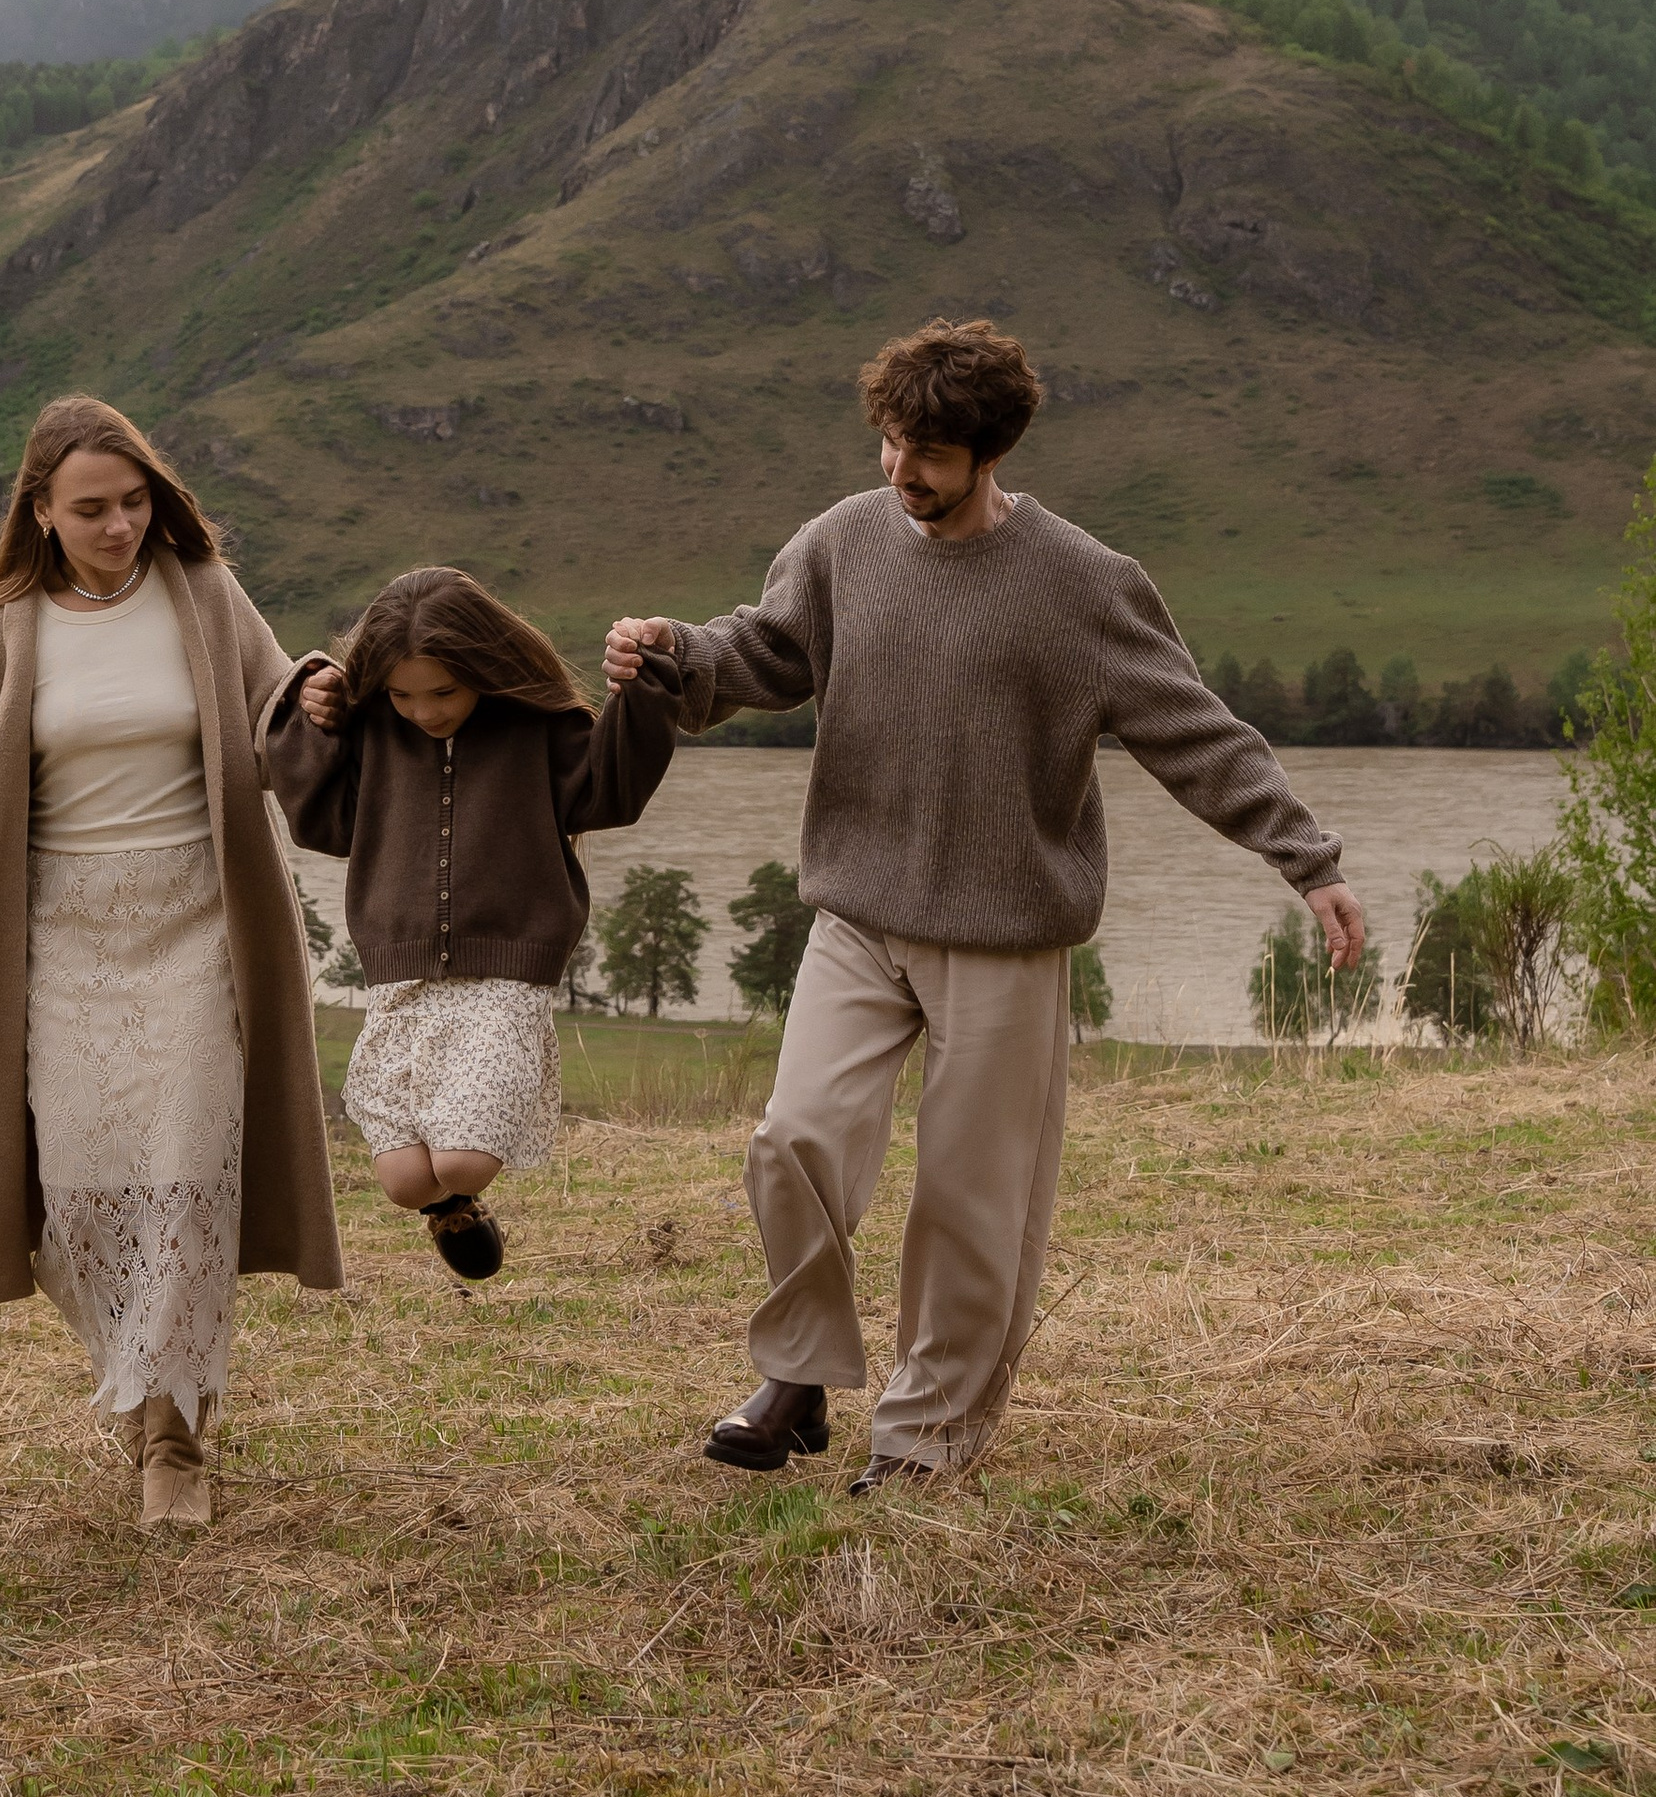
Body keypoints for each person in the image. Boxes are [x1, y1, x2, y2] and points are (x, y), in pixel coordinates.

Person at [604, 315, 1368, 1495]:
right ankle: (799, 1373)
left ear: (988, 453)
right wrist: (670, 652)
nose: (901, 473)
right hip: (859, 914)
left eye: (928, 456)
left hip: (1006, 938)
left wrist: (1305, 860)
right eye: (890, 445)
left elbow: (1194, 730)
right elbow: (760, 653)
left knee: (971, 1199)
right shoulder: (843, 541)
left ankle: (925, 1438)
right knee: (792, 1138)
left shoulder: (1083, 582)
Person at [0, 394, 340, 1531]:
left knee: (188, 1177)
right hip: (58, 943)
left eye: (134, 502)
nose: (118, 526)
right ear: (40, 513)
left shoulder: (203, 594)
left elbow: (276, 708)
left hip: (198, 922)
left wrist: (317, 692)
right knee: (78, 1194)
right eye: (90, 509)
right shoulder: (2, 629)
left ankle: (177, 1439)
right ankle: (142, 1384)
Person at [265, 566, 681, 1280]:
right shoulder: (378, 733)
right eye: (401, 695)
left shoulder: (536, 727)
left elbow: (610, 791)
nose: (423, 712)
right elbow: (322, 824)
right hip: (401, 980)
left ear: (486, 669)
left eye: (443, 693)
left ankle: (459, 1191)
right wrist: (312, 715)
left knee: (459, 1157)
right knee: (405, 1181)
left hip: (506, 976)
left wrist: (641, 687)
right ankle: (449, 1212)